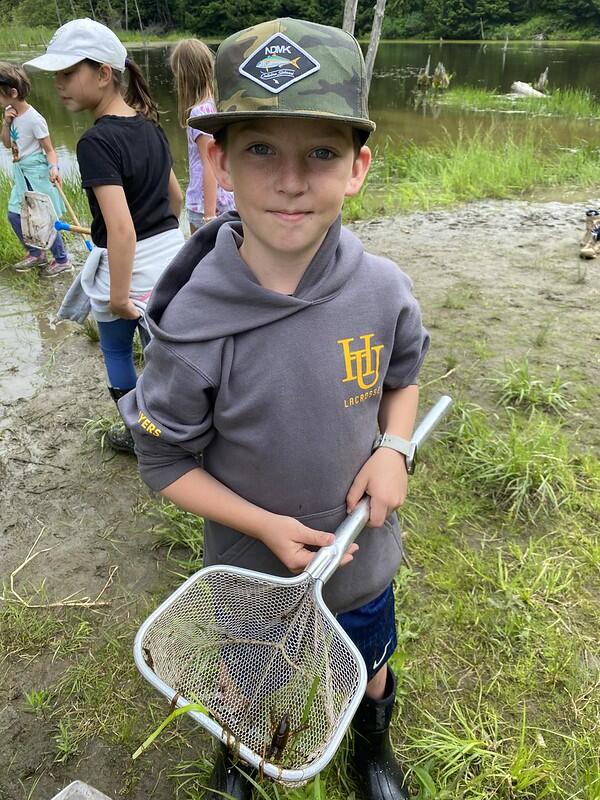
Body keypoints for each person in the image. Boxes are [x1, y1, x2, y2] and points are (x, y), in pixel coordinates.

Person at [120, 18, 429, 800]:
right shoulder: (190, 327)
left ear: (357, 167)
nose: (291, 180)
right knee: (250, 672)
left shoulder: (383, 288)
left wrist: (394, 448)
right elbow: (164, 463)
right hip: (249, 569)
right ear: (216, 158)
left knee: (369, 657)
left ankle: (371, 745)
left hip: (362, 559)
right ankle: (244, 750)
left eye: (320, 153)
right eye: (261, 150)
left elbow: (404, 374)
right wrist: (260, 525)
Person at [24, 19, 184, 454]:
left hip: (126, 270)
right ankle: (176, 433)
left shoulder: (97, 142)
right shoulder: (150, 127)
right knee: (166, 359)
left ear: (103, 74)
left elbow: (120, 228)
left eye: (68, 73)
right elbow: (176, 198)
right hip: (168, 262)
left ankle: (142, 437)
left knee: (116, 351)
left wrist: (117, 296)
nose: (58, 85)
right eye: (55, 75)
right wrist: (165, 247)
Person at [0, 62, 71, 276]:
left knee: (44, 217)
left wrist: (54, 168)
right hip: (21, 173)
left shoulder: (34, 119)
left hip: (37, 173)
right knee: (14, 214)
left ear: (12, 92)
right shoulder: (10, 113)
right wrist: (5, 123)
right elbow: (6, 144)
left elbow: (49, 150)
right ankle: (36, 253)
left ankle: (62, 259)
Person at [169, 38, 235, 234]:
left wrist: (209, 215)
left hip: (205, 203)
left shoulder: (199, 113)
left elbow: (209, 163)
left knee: (201, 258)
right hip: (225, 198)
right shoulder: (216, 106)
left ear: (184, 77)